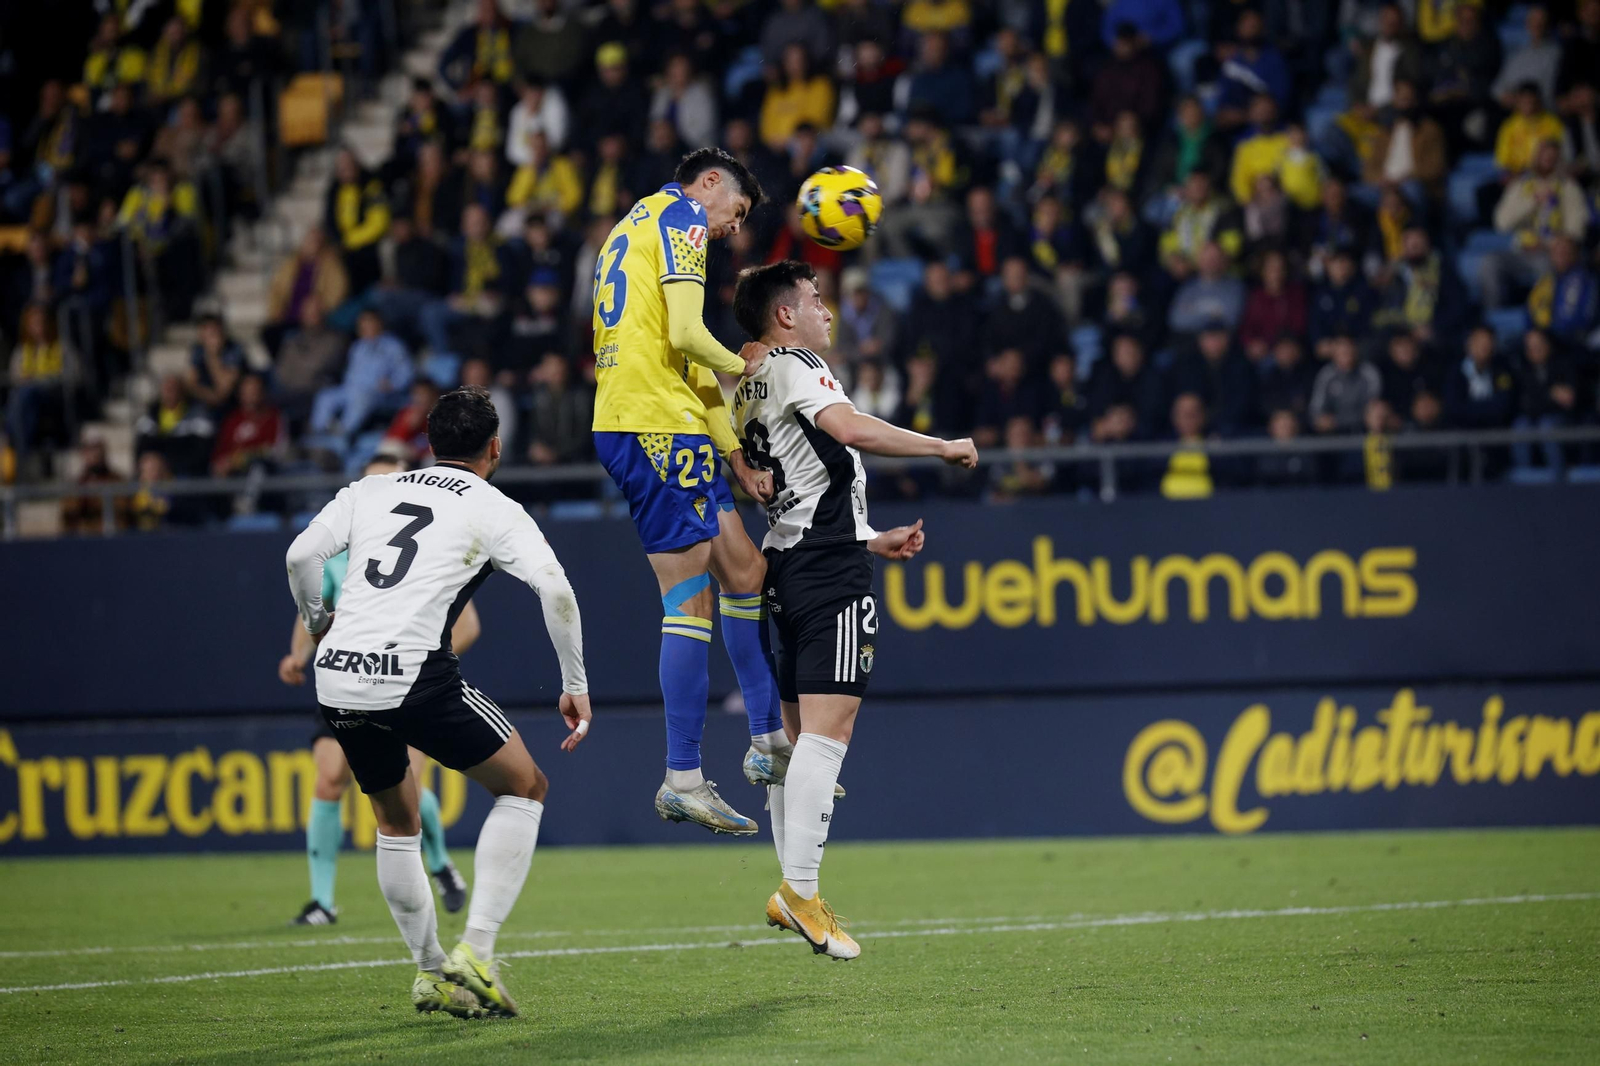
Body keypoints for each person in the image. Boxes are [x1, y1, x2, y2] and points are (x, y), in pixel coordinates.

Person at [284, 386, 590, 1018]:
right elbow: (557, 592)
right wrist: (574, 683)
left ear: (427, 443)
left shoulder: (372, 489)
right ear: (495, 449)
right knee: (525, 787)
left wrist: (317, 624)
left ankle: (430, 973)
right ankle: (476, 950)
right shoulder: (494, 506)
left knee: (396, 824)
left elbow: (300, 554)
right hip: (413, 674)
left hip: (337, 676)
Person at [729, 259, 977, 959]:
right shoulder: (797, 365)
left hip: (787, 564)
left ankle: (795, 891)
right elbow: (850, 429)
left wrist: (870, 535)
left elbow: (800, 484)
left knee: (796, 739)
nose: (827, 311)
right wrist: (940, 446)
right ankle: (801, 893)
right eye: (815, 299)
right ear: (786, 315)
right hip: (829, 571)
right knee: (828, 734)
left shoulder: (747, 383)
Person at [591, 147, 796, 836]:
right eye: (735, 211)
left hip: (661, 419)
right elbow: (689, 335)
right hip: (652, 425)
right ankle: (682, 778)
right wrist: (754, 362)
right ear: (709, 183)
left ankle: (768, 741)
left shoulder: (635, 223)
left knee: (746, 570)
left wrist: (734, 455)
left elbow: (684, 357)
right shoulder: (681, 219)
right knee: (689, 600)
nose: (734, 228)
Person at [278, 454, 474, 926]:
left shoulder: (432, 545)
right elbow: (314, 605)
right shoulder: (342, 548)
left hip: (406, 681)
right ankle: (322, 902)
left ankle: (440, 863)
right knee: (329, 777)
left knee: (405, 788)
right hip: (347, 676)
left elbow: (467, 624)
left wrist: (426, 657)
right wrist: (298, 654)